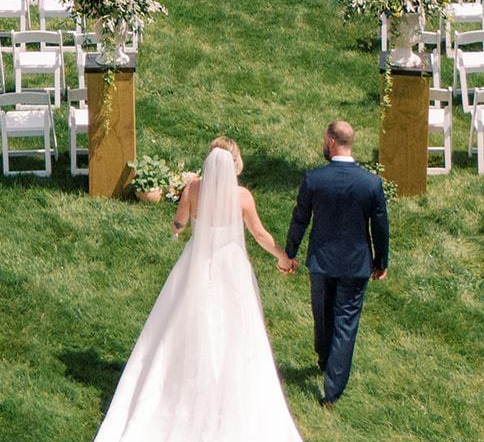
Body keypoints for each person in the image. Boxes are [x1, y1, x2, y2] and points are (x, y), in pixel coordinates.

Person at [93, 136, 303, 442]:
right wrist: (282, 257)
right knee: (234, 325)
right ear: (234, 164)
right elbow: (259, 234)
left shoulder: (193, 190)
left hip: (197, 264)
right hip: (231, 267)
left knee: (185, 321)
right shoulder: (242, 197)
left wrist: (177, 229)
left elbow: (179, 223)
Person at [281, 119, 389, 408]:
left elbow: (300, 218)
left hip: (322, 261)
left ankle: (324, 359)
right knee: (345, 323)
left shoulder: (314, 179)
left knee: (323, 313)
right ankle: (332, 390)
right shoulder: (371, 183)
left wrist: (289, 253)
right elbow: (380, 227)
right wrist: (381, 261)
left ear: (330, 141)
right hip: (356, 264)